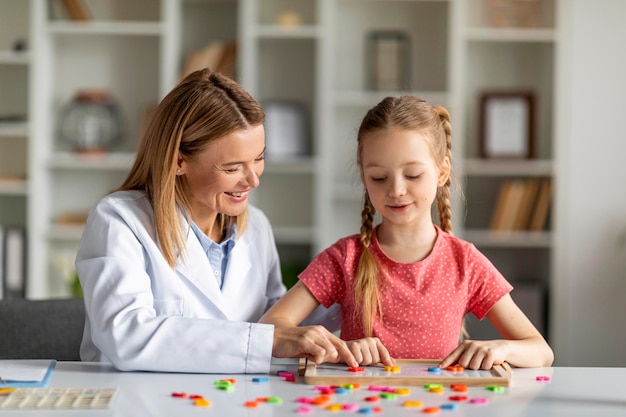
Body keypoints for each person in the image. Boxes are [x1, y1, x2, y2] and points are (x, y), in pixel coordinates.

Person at [75, 68, 357, 374]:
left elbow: (277, 322)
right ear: (179, 160)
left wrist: (351, 294)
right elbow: (127, 336)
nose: (252, 180)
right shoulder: (119, 220)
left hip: (234, 399)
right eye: (233, 167)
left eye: (259, 159)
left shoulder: (256, 228)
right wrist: (263, 342)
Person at [260, 95, 554, 370]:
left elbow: (541, 350)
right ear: (363, 176)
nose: (396, 190)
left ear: (441, 172)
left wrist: (501, 350)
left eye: (412, 175)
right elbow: (270, 327)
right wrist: (335, 348)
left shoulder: (465, 261)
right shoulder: (344, 258)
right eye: (379, 177)